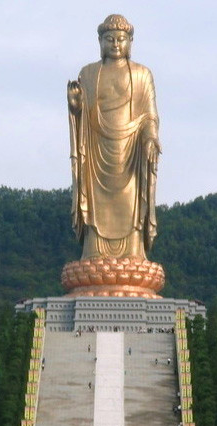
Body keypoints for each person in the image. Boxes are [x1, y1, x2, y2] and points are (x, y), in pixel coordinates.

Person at [68, 14, 160, 261]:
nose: (116, 44)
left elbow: (150, 116)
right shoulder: (88, 74)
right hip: (96, 151)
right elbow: (82, 115)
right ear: (100, 41)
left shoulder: (142, 75)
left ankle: (133, 253)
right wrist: (76, 108)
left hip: (131, 153)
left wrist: (150, 139)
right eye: (109, 39)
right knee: (96, 205)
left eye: (121, 39)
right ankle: (94, 252)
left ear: (130, 41)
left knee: (131, 203)